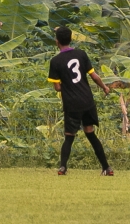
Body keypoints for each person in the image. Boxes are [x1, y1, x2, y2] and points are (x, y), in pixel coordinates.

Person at [47, 26, 114, 176]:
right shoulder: (81, 54)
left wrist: (66, 84)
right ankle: (106, 168)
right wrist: (105, 88)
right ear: (71, 39)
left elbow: (57, 87)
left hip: (72, 103)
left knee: (69, 136)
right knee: (90, 133)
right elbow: (95, 76)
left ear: (56, 41)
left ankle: (62, 167)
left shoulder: (55, 61)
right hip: (87, 101)